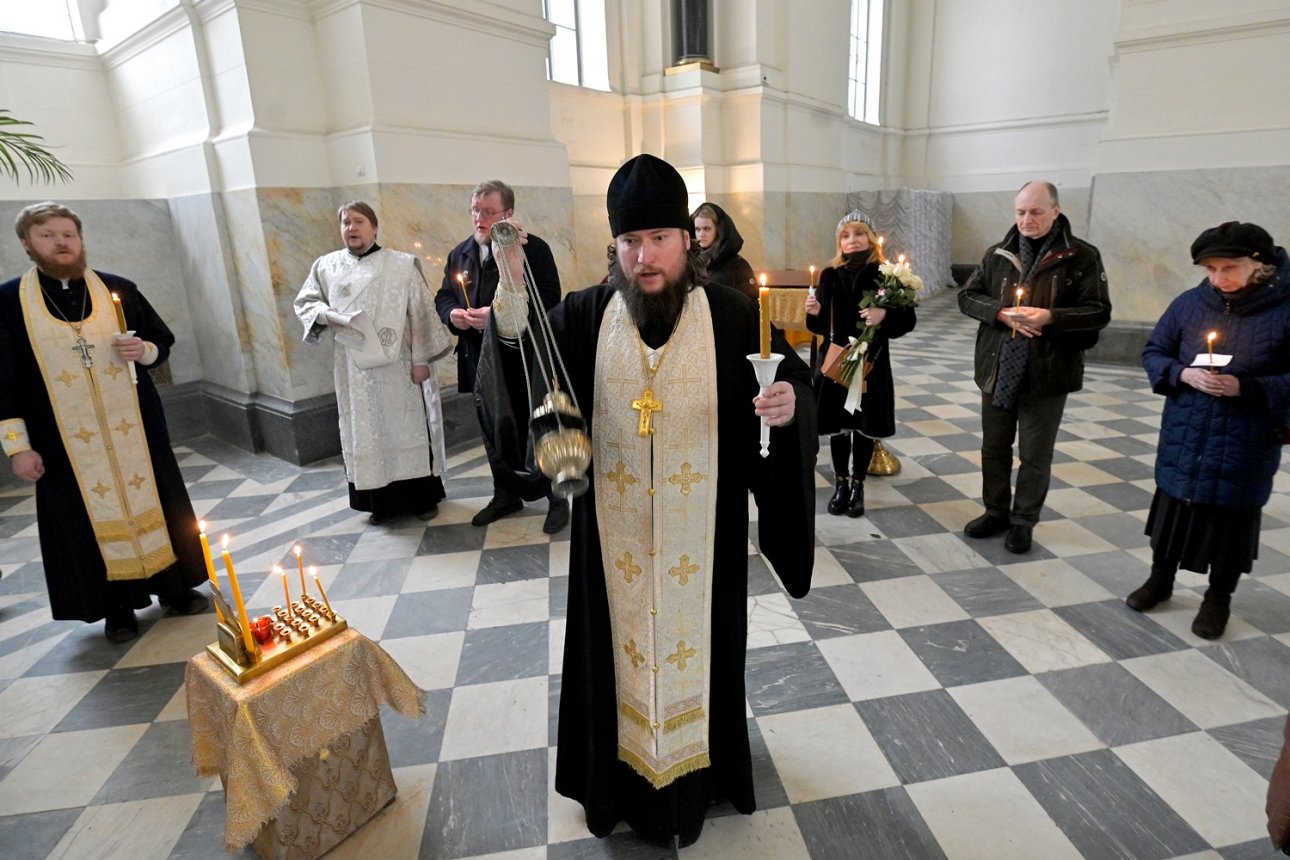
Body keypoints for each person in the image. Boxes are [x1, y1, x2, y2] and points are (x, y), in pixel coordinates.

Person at [475, 154, 817, 847]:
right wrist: (511, 295)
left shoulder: (732, 314)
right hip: (614, 547)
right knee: (613, 662)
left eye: (659, 238)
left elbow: (794, 388)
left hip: (704, 545)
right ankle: (616, 785)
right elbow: (525, 362)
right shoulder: (586, 313)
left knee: (704, 655)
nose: (644, 257)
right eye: (630, 243)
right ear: (616, 248)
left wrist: (789, 406)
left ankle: (701, 781)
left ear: (688, 240)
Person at [0, 202, 208, 643]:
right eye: (48, 235)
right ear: (26, 243)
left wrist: (145, 351)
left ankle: (175, 587)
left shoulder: (119, 290)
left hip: (135, 430)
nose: (61, 242)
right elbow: (3, 380)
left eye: (68, 234)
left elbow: (160, 340)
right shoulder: (8, 303)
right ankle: (115, 607)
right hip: (63, 442)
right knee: (82, 519)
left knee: (160, 502)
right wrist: (18, 446)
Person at [1128, 221, 1290, 639]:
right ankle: (1159, 580)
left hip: (1245, 440)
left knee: (1230, 526)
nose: (1219, 279)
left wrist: (1247, 387)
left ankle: (1219, 597)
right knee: (1172, 510)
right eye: (1210, 269)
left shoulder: (1285, 310)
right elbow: (1154, 352)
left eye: (1229, 268)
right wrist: (1182, 374)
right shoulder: (1189, 304)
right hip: (1187, 432)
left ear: (1260, 264)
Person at [957, 180, 1111, 553]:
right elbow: (967, 296)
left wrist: (1050, 317)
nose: (1027, 219)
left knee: (1034, 454)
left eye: (1036, 212)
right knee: (994, 448)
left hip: (1047, 372)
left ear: (1056, 211)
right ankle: (995, 511)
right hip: (998, 367)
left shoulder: (1082, 256)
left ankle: (1023, 521)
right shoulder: (998, 253)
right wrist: (1000, 313)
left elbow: (1099, 311)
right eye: (1021, 212)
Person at [295, 201, 452, 525]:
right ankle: (381, 504)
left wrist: (421, 360)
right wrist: (325, 314)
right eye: (345, 222)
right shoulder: (325, 266)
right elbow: (306, 302)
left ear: (374, 227)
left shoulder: (401, 265)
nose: (351, 228)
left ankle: (423, 498)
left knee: (407, 430)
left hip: (399, 369)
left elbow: (421, 314)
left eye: (359, 221)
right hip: (353, 371)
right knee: (366, 434)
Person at [435, 180, 569, 534]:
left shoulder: (533, 249)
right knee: (494, 429)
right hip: (480, 358)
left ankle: (557, 498)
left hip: (524, 359)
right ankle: (505, 494)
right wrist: (453, 316)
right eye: (475, 210)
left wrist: (493, 318)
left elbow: (550, 301)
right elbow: (444, 296)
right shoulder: (460, 253)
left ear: (508, 214)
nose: (479, 218)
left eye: (488, 211)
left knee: (540, 426)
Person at [805, 210, 916, 518]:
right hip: (837, 360)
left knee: (863, 427)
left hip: (872, 362)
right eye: (845, 235)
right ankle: (841, 483)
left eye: (858, 234)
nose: (851, 241)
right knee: (840, 428)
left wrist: (885, 316)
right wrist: (813, 313)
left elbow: (908, 320)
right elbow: (819, 328)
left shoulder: (885, 273)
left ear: (870, 238)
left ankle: (858, 484)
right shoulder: (829, 274)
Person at [690, 202, 756, 300]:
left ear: (718, 230)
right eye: (697, 229)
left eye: (707, 229)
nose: (701, 234)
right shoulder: (689, 263)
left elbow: (750, 303)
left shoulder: (738, 265)